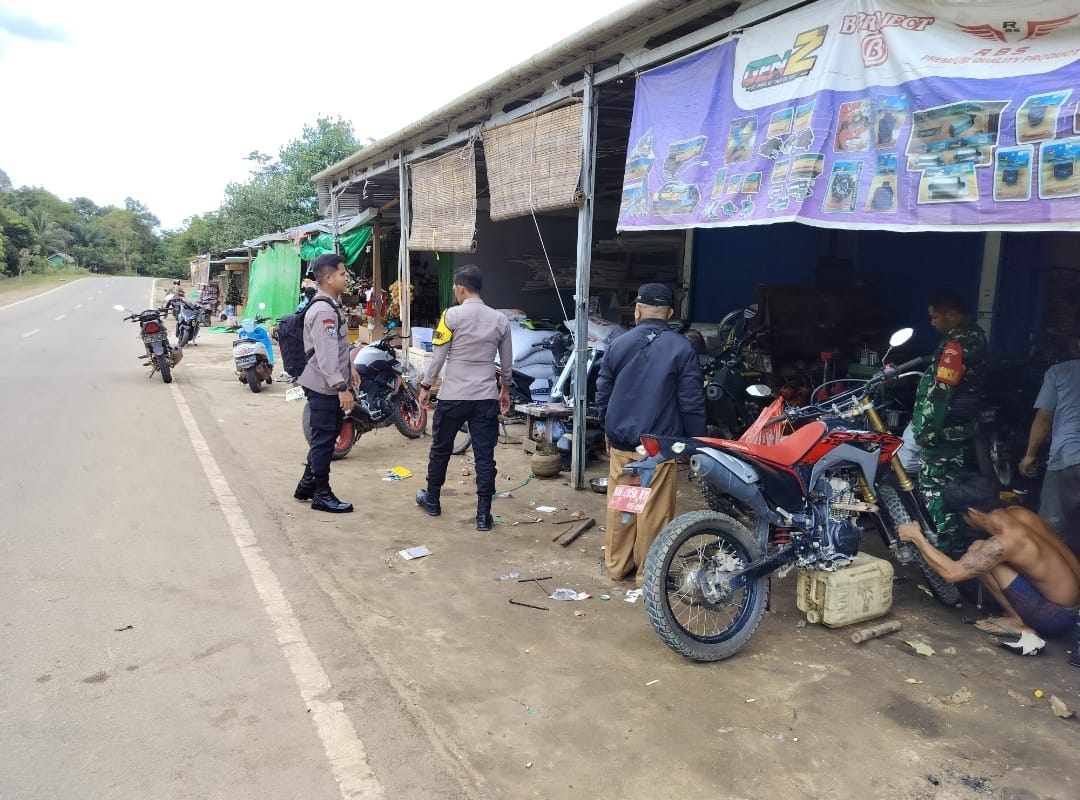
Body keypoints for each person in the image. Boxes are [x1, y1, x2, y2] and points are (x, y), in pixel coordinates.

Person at [595, 283, 706, 586]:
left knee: (624, 503)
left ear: (638, 310)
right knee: (653, 512)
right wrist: (697, 441)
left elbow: (603, 390)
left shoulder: (618, 343)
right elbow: (691, 401)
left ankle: (617, 566)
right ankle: (648, 575)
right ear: (670, 313)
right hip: (659, 445)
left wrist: (607, 426)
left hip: (622, 439)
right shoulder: (681, 348)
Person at [898, 474, 1080, 656]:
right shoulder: (1020, 513)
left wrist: (917, 538)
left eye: (962, 515)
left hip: (1056, 616)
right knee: (980, 549)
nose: (964, 520)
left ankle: (1018, 622)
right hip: (1073, 602)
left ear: (973, 512)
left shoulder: (1004, 543)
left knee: (981, 554)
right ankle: (1020, 616)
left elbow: (951, 573)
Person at [415, 265, 512, 531]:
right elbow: (506, 363)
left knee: (441, 449)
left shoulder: (451, 316)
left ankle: (432, 501)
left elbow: (438, 357)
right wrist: (505, 389)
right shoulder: (500, 320)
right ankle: (483, 515)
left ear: (459, 289)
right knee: (484, 456)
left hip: (453, 396)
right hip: (485, 397)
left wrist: (426, 386)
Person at [911, 291, 987, 556]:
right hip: (960, 430)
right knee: (954, 488)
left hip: (943, 433)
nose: (932, 323)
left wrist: (927, 429)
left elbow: (942, 391)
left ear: (951, 314)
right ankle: (957, 549)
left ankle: (942, 553)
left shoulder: (956, 345)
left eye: (935, 317)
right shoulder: (976, 337)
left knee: (935, 492)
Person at [294, 253, 357, 514]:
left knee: (327, 436)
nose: (346, 278)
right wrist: (341, 387)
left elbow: (338, 348)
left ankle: (306, 485)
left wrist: (351, 369)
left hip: (325, 382)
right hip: (324, 385)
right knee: (323, 441)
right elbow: (326, 356)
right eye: (342, 274)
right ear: (329, 278)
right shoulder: (323, 311)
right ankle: (321, 493)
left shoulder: (331, 305)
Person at [1020, 336, 1080, 560]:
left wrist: (1029, 455)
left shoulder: (1059, 372)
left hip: (1068, 456)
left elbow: (1044, 419)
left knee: (1052, 524)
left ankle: (1057, 572)